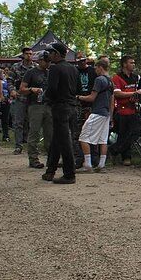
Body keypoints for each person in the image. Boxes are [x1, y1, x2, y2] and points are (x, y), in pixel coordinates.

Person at [41, 42, 79, 184]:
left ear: (56, 54)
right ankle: (50, 171)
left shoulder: (55, 69)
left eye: (51, 52)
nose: (49, 55)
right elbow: (79, 88)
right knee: (57, 140)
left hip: (60, 107)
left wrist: (46, 99)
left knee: (64, 142)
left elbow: (52, 89)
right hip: (72, 107)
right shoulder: (74, 69)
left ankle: (69, 174)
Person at [78, 58, 115, 173]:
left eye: (95, 67)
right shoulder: (110, 81)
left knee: (83, 137)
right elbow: (112, 101)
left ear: (100, 67)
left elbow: (92, 97)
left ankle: (88, 164)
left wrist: (78, 97)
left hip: (97, 112)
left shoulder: (99, 80)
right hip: (106, 114)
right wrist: (111, 116)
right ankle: (101, 165)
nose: (94, 70)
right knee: (103, 140)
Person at [109, 55, 141, 166]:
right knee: (124, 134)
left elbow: (140, 91)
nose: (133, 64)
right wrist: (133, 94)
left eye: (134, 62)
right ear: (124, 64)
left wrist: (136, 96)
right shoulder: (117, 77)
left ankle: (114, 149)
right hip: (122, 111)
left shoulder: (136, 77)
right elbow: (117, 93)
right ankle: (126, 157)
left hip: (134, 110)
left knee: (135, 133)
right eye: (131, 62)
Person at [20, 51, 52, 168]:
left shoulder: (51, 72)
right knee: (34, 132)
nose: (48, 63)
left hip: (49, 105)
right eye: (46, 61)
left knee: (50, 133)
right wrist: (32, 89)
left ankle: (51, 159)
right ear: (40, 61)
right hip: (35, 105)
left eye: (49, 61)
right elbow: (22, 89)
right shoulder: (31, 72)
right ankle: (33, 159)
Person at [11, 47, 36, 154]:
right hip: (20, 97)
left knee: (33, 123)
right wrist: (12, 90)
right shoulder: (16, 67)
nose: (29, 56)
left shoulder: (36, 67)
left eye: (31, 54)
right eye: (27, 54)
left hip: (33, 99)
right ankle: (18, 146)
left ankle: (32, 146)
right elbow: (9, 80)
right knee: (18, 122)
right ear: (23, 55)